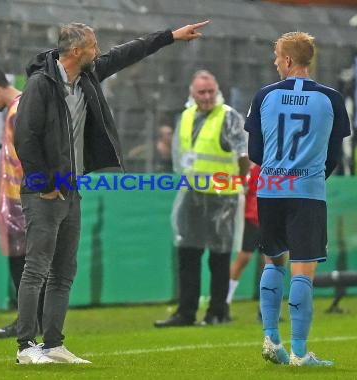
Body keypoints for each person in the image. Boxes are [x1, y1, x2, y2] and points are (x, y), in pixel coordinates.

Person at [13, 20, 210, 364]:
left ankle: (53, 343)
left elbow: (125, 53)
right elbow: (25, 138)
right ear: (76, 52)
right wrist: (44, 186)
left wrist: (170, 37)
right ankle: (26, 346)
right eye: (93, 46)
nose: (98, 51)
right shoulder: (39, 85)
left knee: (63, 272)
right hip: (43, 192)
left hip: (71, 188)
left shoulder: (86, 76)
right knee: (37, 269)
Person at [245, 32, 350, 366]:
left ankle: (272, 339)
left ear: (288, 60)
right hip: (307, 192)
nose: (276, 61)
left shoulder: (264, 96)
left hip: (270, 190)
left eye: (277, 56)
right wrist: (311, 177)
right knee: (303, 270)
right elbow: (334, 154)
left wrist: (278, 174)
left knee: (274, 261)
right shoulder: (331, 99)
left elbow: (255, 152)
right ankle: (300, 353)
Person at [154, 70, 250, 328]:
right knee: (188, 253)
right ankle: (186, 312)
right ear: (192, 93)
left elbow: (243, 154)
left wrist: (241, 183)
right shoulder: (185, 117)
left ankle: (217, 311)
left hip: (223, 196)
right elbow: (179, 156)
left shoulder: (228, 116)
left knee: (218, 257)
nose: (206, 97)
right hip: (193, 193)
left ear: (217, 90)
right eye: (201, 92)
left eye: (210, 91)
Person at [0, 68, 45, 339]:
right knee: (28, 263)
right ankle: (33, 320)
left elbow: (26, 157)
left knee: (24, 263)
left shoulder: (17, 110)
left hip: (21, 197)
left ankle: (30, 322)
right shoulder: (23, 106)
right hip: (22, 195)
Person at [225, 163, 264, 319]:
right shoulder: (254, 168)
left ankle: (266, 309)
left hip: (271, 220)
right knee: (243, 258)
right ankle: (224, 302)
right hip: (252, 218)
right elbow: (244, 189)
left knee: (270, 264)